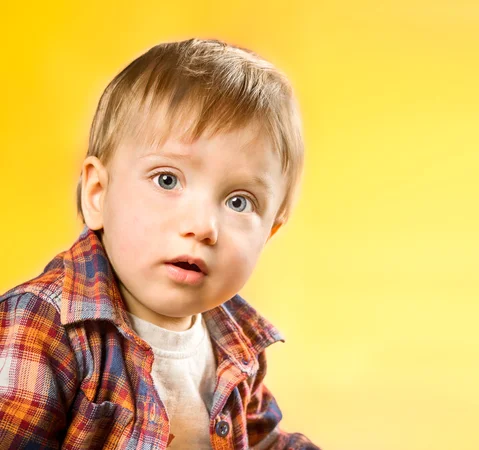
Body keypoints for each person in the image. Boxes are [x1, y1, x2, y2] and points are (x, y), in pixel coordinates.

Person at [0, 38, 319, 450]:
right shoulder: (43, 326)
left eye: (239, 201)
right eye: (167, 180)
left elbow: (264, 441)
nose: (203, 226)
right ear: (98, 193)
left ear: (269, 233)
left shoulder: (236, 339)